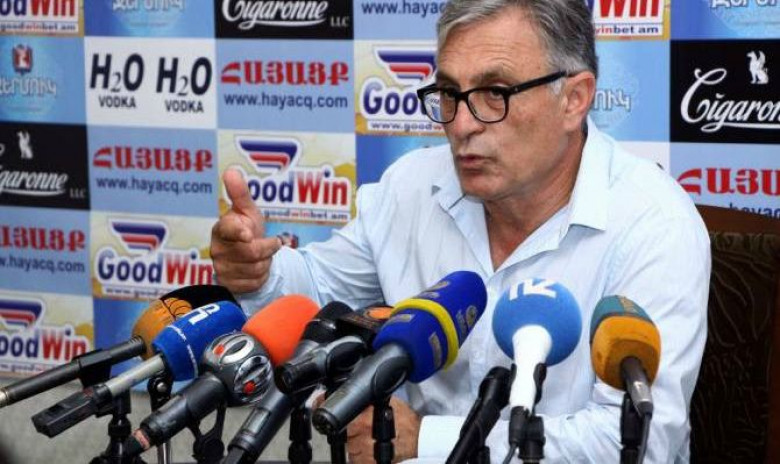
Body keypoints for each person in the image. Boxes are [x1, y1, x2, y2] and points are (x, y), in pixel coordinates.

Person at [210, 0, 711, 462]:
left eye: (495, 93)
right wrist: (258, 274)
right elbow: (319, 293)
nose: (462, 124)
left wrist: (426, 440)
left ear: (574, 99)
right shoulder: (412, 186)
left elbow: (638, 442)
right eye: (450, 93)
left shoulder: (653, 223)